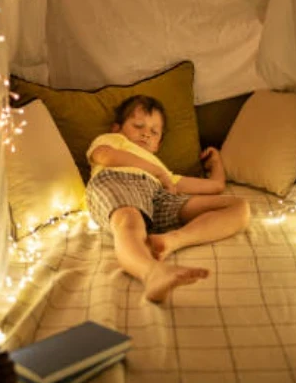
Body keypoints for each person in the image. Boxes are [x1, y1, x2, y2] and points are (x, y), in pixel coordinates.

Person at [85, 95, 251, 302]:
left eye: (154, 132)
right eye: (138, 126)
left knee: (238, 207)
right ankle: (152, 273)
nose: (145, 133)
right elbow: (106, 157)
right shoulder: (112, 140)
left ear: (158, 145)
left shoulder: (165, 172)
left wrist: (216, 161)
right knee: (129, 220)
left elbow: (216, 187)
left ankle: (170, 241)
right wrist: (159, 173)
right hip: (117, 179)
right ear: (116, 128)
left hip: (158, 194)